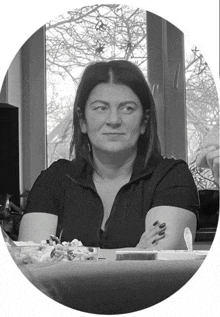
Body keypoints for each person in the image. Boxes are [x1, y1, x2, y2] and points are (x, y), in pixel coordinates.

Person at [18, 60, 199, 250]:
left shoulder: (171, 177)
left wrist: (69, 255)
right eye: (101, 108)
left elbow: (158, 266)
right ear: (82, 121)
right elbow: (34, 261)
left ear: (144, 121)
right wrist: (134, 252)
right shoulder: (53, 180)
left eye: (127, 108)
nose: (114, 120)